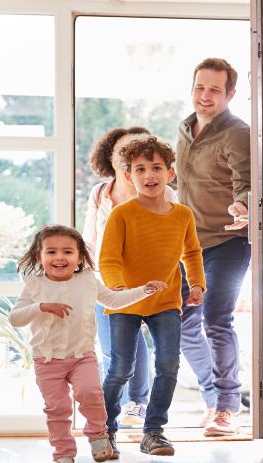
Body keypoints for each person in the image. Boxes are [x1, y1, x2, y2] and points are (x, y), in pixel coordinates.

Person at [10, 225, 164, 463]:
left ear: (79, 257)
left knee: (91, 393)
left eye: (67, 251)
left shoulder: (88, 281)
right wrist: (41, 307)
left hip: (82, 356)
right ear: (39, 257)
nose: (60, 257)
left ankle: (98, 436)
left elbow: (113, 300)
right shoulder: (34, 286)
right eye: (51, 252)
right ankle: (63, 454)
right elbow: (15, 318)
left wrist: (144, 290)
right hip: (46, 360)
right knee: (57, 408)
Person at [100, 136, 206, 456]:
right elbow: (109, 259)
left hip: (165, 302)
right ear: (129, 176)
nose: (149, 175)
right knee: (121, 368)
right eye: (140, 169)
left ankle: (154, 431)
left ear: (170, 174)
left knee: (169, 365)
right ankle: (104, 430)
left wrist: (197, 284)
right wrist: (119, 289)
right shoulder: (122, 214)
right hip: (125, 301)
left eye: (156, 168)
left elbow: (192, 253)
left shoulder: (183, 215)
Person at [83, 126, 179, 427]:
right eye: (127, 153)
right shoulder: (100, 193)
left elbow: (175, 239)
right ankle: (105, 419)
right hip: (106, 281)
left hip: (150, 284)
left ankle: (137, 404)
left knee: (156, 354)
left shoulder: (163, 194)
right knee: (116, 354)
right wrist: (86, 274)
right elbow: (90, 238)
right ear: (116, 159)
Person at [175, 57, 252, 436]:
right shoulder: (185, 128)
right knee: (185, 323)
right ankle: (211, 399)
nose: (205, 96)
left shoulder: (237, 133)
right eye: (199, 87)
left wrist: (242, 203)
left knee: (216, 321)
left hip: (227, 241)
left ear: (230, 94)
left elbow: (246, 182)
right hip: (188, 244)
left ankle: (228, 407)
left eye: (214, 90)